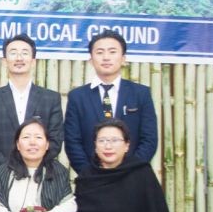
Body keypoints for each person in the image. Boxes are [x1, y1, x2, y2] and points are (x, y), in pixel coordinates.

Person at [64, 29, 158, 175]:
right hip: (92, 180)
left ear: (123, 58)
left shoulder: (140, 94)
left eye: (112, 52)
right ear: (91, 59)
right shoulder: (77, 96)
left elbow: (149, 139)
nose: (106, 57)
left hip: (132, 177)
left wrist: (130, 171)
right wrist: (89, 173)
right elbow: (72, 141)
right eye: (100, 52)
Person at [0, 34, 63, 174]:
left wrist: (32, 168)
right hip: (3, 179)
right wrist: (9, 171)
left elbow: (55, 141)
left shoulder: (51, 99)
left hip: (40, 178)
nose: (19, 58)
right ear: (4, 61)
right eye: (13, 53)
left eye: (24, 53)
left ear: (33, 61)